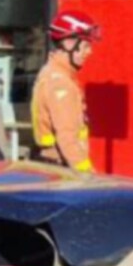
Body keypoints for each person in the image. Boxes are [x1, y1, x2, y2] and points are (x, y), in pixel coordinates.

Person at [32, 9, 100, 172]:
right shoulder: (60, 84)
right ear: (69, 43)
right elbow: (67, 139)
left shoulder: (54, 74)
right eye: (85, 46)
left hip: (54, 167)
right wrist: (89, 176)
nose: (88, 52)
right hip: (62, 170)